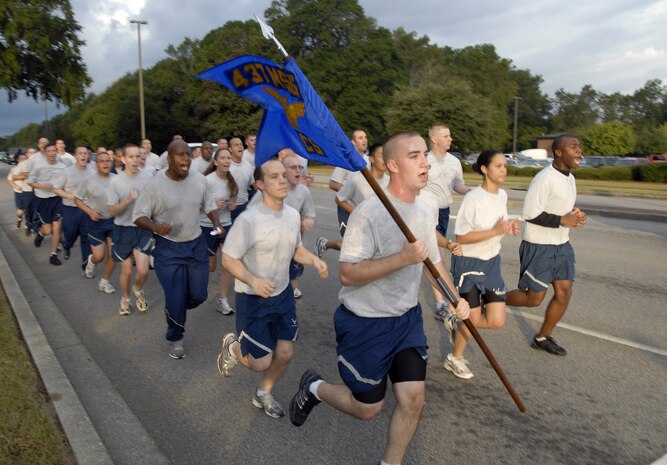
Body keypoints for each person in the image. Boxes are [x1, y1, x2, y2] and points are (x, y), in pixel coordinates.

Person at [287, 132, 470, 465]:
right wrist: (401, 258)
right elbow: (348, 273)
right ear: (392, 165)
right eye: (414, 156)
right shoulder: (369, 213)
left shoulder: (426, 205)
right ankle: (314, 387)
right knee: (368, 407)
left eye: (425, 154)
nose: (425, 162)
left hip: (406, 319)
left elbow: (433, 262)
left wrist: (453, 297)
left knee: (413, 400)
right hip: (365, 323)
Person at [217, 159, 328, 419]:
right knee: (260, 362)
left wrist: (313, 259)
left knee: (286, 352)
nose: (282, 180)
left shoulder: (291, 215)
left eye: (283, 175)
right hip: (252, 299)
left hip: (282, 296)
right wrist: (253, 280)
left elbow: (296, 249)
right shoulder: (248, 220)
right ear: (259, 184)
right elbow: (228, 258)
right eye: (274, 177)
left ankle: (263, 393)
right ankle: (232, 347)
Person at [133, 140, 221, 359]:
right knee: (175, 297)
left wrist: (217, 225)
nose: (186, 159)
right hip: (168, 249)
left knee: (199, 295)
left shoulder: (199, 180)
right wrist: (156, 227)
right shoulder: (154, 185)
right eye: (181, 155)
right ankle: (176, 338)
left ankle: (179, 305)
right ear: (169, 159)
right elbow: (138, 216)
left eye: (188, 155)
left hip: (195, 244)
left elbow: (209, 206)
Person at [505, 134, 586, 356]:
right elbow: (529, 214)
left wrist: (574, 215)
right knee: (534, 299)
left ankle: (541, 337)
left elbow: (561, 208)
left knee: (564, 292)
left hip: (562, 244)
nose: (579, 150)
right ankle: (492, 299)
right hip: (539, 246)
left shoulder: (569, 178)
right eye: (573, 147)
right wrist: (562, 220)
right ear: (558, 153)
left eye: (579, 147)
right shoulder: (544, 178)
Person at [444, 149, 519, 380]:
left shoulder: (502, 195)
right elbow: (462, 237)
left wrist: (507, 228)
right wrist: (495, 230)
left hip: (491, 263)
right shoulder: (473, 198)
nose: (503, 170)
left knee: (497, 321)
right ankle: (454, 358)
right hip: (469, 263)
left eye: (504, 166)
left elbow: (499, 223)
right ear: (485, 169)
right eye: (498, 166)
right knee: (473, 319)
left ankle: (461, 321)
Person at [422, 123, 473, 321]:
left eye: (449, 136)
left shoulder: (454, 162)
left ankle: (443, 300)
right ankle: (441, 303)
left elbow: (458, 185)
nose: (450, 139)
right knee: (437, 258)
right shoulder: (424, 160)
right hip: (426, 212)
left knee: (437, 256)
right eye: (446, 136)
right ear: (434, 139)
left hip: (443, 212)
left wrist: (471, 190)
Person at [248, 152, 317, 299]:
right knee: (271, 285)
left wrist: (308, 220)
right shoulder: (270, 189)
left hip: (292, 246)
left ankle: (288, 303)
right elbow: (249, 215)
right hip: (268, 247)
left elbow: (310, 214)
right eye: (293, 168)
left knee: (291, 279)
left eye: (300, 167)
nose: (298, 171)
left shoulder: (303, 191)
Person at [316, 143, 387, 257]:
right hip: (359, 226)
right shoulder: (357, 181)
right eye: (381, 155)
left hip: (380, 227)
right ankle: (325, 244)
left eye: (387, 155)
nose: (385, 159)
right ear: (372, 159)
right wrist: (358, 213)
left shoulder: (390, 182)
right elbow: (339, 199)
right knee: (348, 248)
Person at [107, 144, 154, 316]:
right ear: (123, 159)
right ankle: (125, 299)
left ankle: (138, 290)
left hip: (142, 228)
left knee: (142, 270)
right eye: (131, 157)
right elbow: (111, 210)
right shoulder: (116, 182)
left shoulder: (148, 177)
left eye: (138, 156)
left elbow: (155, 200)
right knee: (126, 270)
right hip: (123, 229)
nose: (135, 160)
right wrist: (127, 201)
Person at [74, 151, 117, 293]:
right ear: (96, 164)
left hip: (113, 221)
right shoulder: (88, 180)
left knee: (113, 255)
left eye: (108, 161)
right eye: (102, 161)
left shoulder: (117, 179)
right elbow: (77, 199)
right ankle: (92, 261)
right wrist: (90, 211)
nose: (106, 163)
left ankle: (104, 282)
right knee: (100, 256)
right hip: (95, 222)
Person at [201, 148, 238, 315]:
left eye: (228, 158)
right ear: (215, 162)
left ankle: (222, 299)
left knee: (228, 263)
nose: (226, 160)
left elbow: (234, 202)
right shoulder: (206, 181)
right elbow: (196, 204)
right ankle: (194, 289)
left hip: (226, 224)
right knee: (210, 266)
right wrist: (213, 204)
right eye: (223, 158)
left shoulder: (231, 181)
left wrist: (232, 206)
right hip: (207, 226)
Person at [27, 144, 67, 265]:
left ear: (56, 152)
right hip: (42, 200)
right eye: (49, 151)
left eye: (54, 150)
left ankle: (53, 254)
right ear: (45, 153)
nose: (52, 153)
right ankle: (41, 233)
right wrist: (42, 186)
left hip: (56, 200)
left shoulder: (63, 167)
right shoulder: (38, 166)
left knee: (57, 227)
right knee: (48, 229)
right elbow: (30, 182)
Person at [52, 146, 91, 267]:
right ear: (76, 156)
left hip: (86, 209)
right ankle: (66, 245)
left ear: (88, 156)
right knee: (70, 235)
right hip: (70, 209)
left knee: (86, 237)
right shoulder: (68, 171)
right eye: (80, 153)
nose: (83, 155)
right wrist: (70, 196)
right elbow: (55, 188)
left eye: (85, 153)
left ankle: (85, 264)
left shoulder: (93, 172)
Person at [328, 129, 370, 237]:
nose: (364, 140)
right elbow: (332, 183)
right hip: (347, 208)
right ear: (353, 143)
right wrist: (352, 191)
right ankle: (325, 244)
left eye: (365, 137)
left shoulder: (369, 161)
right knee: (348, 242)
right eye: (360, 138)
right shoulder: (346, 161)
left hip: (363, 208)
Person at [228, 137, 255, 222]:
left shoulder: (248, 166)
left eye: (241, 145)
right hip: (229, 209)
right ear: (230, 149)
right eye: (236, 145)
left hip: (245, 205)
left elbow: (253, 185)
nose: (240, 147)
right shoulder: (226, 166)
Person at [12, 148, 37, 236]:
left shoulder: (39, 163)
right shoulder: (23, 164)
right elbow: (14, 177)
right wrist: (24, 176)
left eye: (34, 152)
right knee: (28, 211)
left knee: (37, 211)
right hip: (27, 192)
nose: (32, 154)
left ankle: (35, 228)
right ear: (27, 154)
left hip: (38, 191)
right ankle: (28, 225)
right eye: (30, 153)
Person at [7, 153, 28, 228]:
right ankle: (19, 219)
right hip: (19, 192)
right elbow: (9, 180)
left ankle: (27, 225)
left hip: (28, 192)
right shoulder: (14, 169)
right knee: (20, 211)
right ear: (18, 160)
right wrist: (15, 186)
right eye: (21, 159)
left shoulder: (29, 169)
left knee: (27, 210)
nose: (23, 160)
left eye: (25, 159)